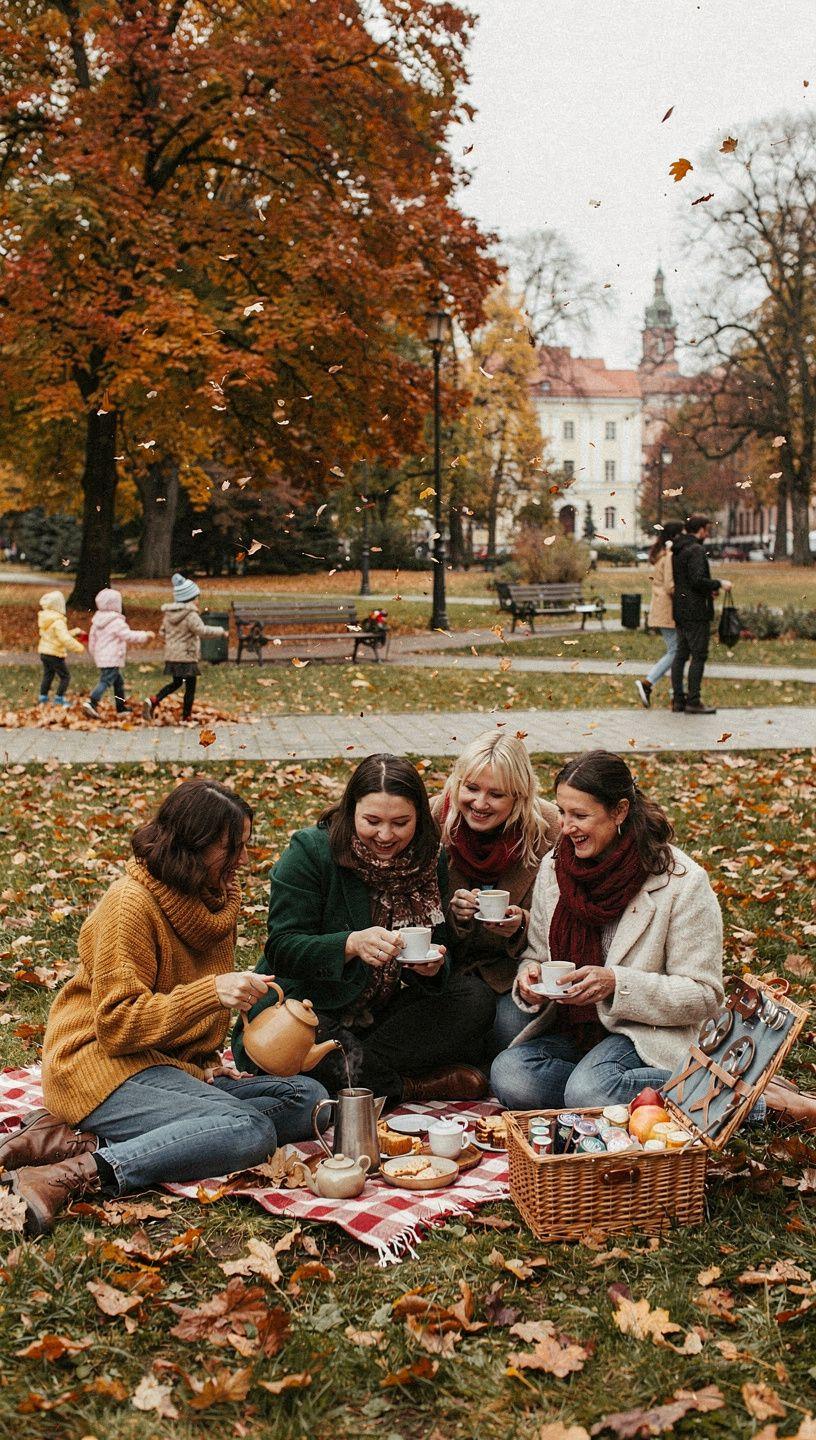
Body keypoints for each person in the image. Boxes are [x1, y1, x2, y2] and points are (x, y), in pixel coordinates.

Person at [3, 780, 326, 1236]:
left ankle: (70, 1137)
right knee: (250, 1130)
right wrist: (212, 993)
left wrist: (203, 1065)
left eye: (246, 846)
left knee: (308, 1100)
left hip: (161, 1064)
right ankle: (71, 1174)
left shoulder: (214, 901)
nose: (244, 860)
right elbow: (117, 1025)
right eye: (233, 847)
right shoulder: (129, 904)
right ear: (192, 846)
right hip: (98, 1064)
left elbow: (183, 1009)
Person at [232, 754, 495, 1103]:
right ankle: (407, 1086)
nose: (385, 836)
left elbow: (440, 947)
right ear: (350, 810)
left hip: (377, 1013)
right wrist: (351, 944)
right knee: (295, 1047)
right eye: (372, 821)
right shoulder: (311, 851)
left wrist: (431, 969)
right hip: (303, 1010)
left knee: (473, 999)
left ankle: (356, 1071)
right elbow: (282, 948)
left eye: (401, 823)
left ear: (419, 816)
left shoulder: (429, 859)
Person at [490, 750, 726, 1112]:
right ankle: (608, 1098)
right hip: (579, 1031)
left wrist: (617, 983)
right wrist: (530, 980)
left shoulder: (682, 881)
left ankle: (733, 1095)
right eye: (563, 812)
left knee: (590, 1090)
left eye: (580, 815)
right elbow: (535, 954)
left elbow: (705, 996)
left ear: (619, 811)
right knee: (510, 1074)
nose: (566, 827)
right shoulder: (557, 869)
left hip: (647, 1032)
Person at [431, 732, 559, 1051]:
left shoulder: (549, 828)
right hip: (451, 971)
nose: (480, 804)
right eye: (471, 788)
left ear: (519, 795)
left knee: (505, 1033)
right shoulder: (435, 818)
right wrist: (454, 915)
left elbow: (560, 917)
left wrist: (522, 925)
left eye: (496, 794)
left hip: (512, 974)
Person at [143, 573, 227, 722]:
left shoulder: (169, 614)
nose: (198, 601)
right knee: (190, 686)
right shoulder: (191, 615)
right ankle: (186, 717)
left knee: (176, 683)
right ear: (190, 599)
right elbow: (202, 631)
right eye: (196, 598)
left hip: (173, 656)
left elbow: (163, 631)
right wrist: (221, 631)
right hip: (187, 656)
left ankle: (154, 700)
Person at [669, 515, 732, 716]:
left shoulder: (677, 550)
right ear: (700, 530)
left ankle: (678, 699)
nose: (707, 534)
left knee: (681, 653)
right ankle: (693, 700)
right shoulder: (695, 549)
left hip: (680, 608)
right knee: (699, 654)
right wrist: (718, 584)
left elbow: (686, 580)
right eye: (706, 530)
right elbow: (697, 580)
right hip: (696, 610)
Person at [83, 587, 154, 719]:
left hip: (103, 658)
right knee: (105, 681)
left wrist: (95, 655)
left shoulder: (97, 622)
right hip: (112, 658)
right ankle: (91, 702)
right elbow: (128, 635)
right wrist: (145, 635)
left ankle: (121, 707)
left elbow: (92, 640)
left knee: (118, 683)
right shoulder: (116, 622)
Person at [635, 522, 684, 709]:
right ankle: (648, 683)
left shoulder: (661, 554)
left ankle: (677, 694)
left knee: (676, 652)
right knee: (677, 652)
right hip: (668, 609)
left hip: (661, 607)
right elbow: (671, 585)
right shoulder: (669, 556)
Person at [37, 590, 84, 706]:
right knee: (65, 676)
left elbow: (57, 635)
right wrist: (79, 647)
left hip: (44, 652)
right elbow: (64, 639)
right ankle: (59, 699)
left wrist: (75, 632)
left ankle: (43, 697)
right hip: (55, 654)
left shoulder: (46, 618)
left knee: (48, 674)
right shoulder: (58, 622)